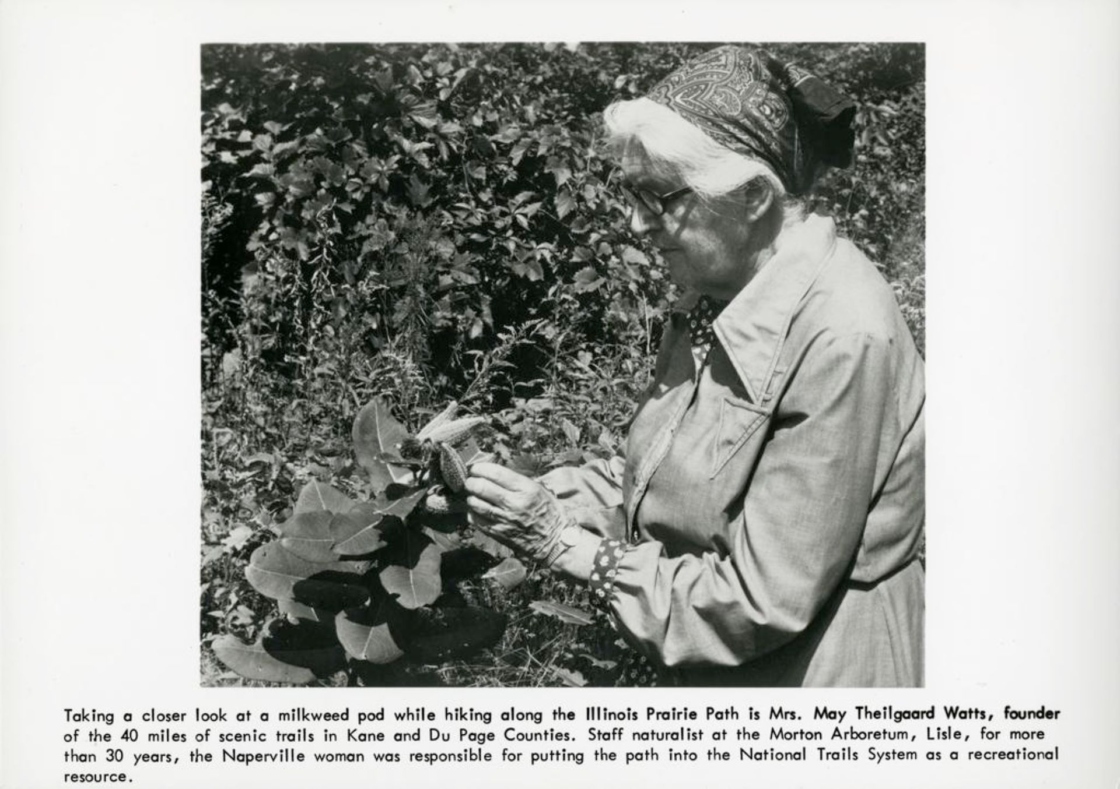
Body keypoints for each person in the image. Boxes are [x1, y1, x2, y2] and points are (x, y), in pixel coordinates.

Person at [464, 45, 925, 687]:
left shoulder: (842, 335)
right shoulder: (724, 289)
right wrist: (520, 495)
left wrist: (560, 543)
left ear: (754, 196)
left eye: (659, 197)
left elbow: (762, 601)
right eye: (631, 192)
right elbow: (667, 479)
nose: (635, 222)